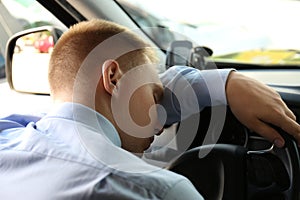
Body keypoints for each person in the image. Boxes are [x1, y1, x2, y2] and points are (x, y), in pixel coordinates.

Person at [0, 19, 299, 199]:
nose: (160, 123)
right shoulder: (154, 191)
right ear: (113, 77)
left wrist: (223, 85)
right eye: (155, 95)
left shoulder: (9, 140)